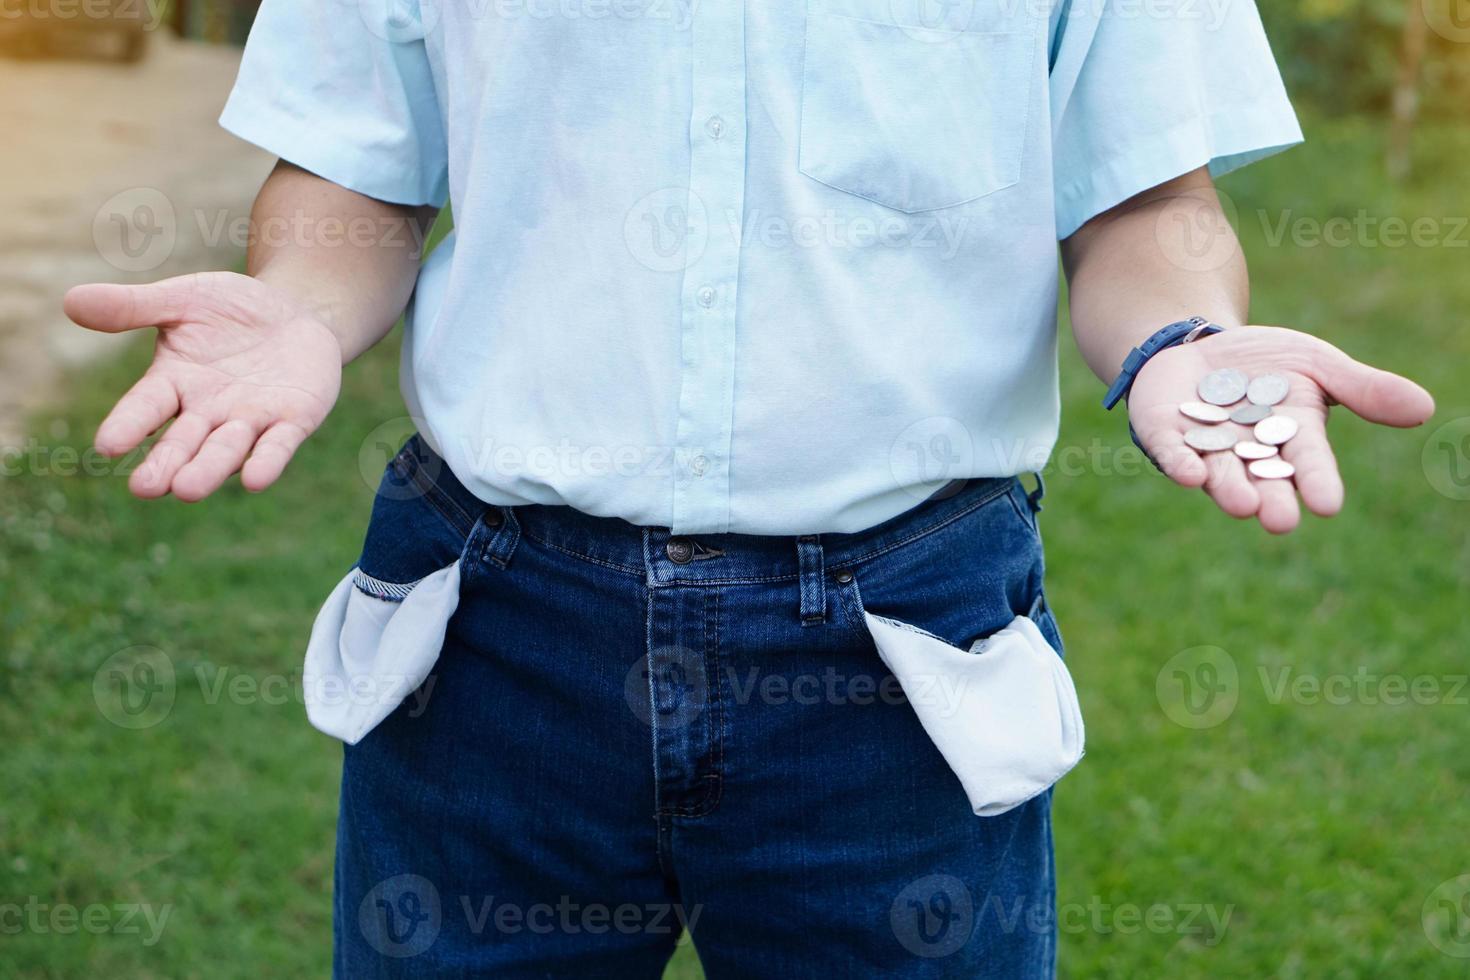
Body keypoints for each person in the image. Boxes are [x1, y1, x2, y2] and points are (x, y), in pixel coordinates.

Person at [63, 0, 1434, 975]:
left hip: (897, 659)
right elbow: (355, 168)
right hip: (491, 642)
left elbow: (1140, 197)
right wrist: (301, 304)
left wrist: (1175, 336)